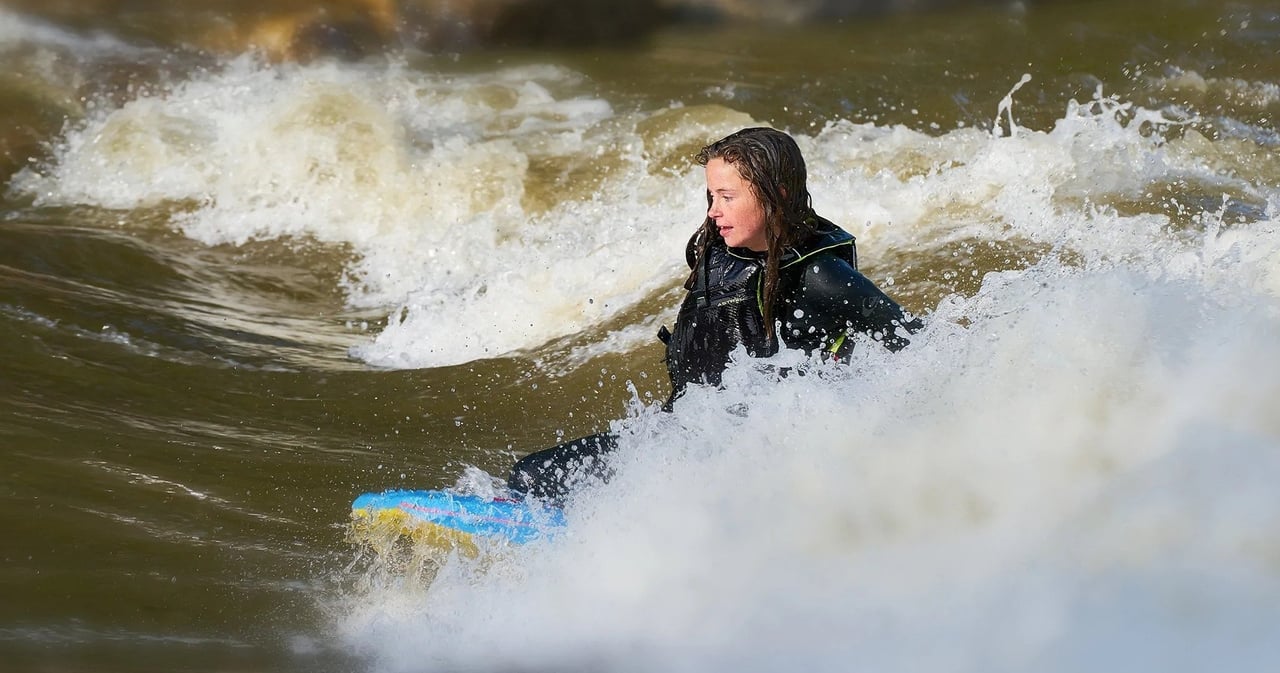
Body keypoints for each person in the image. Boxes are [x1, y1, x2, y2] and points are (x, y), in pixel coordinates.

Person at [507, 127, 921, 502]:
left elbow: (918, 347)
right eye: (711, 196)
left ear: (775, 193)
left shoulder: (822, 277)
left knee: (538, 481)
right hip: (680, 434)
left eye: (727, 197)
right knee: (531, 476)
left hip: (746, 466)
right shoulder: (720, 248)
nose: (713, 212)